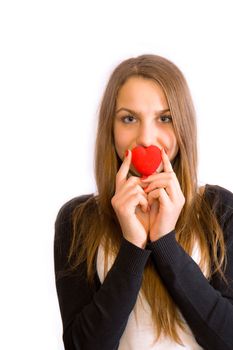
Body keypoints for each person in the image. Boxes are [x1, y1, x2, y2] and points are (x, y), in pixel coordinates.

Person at [54, 54, 233, 350]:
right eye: (129, 118)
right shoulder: (77, 219)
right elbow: (82, 346)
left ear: (183, 125)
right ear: (110, 129)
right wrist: (133, 246)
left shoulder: (220, 209)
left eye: (165, 118)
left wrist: (164, 241)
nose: (146, 138)